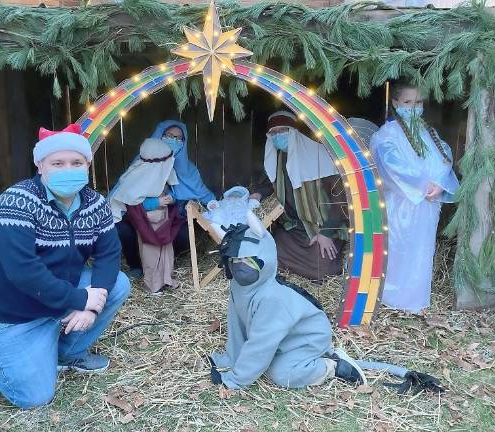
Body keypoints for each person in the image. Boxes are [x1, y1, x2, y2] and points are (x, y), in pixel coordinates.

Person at [0, 124, 130, 409]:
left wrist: (91, 304)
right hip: (12, 312)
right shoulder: (16, 202)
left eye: (76, 163)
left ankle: (68, 352)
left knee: (116, 283)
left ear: (87, 165)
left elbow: (109, 254)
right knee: (34, 398)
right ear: (40, 165)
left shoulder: (95, 204)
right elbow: (24, 272)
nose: (68, 169)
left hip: (57, 296)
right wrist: (80, 298)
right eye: (58, 163)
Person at [207, 211, 365, 389]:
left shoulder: (271, 297)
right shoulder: (239, 287)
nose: (240, 266)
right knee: (266, 361)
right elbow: (237, 325)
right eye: (235, 260)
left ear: (265, 257)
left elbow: (261, 344)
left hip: (306, 339)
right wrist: (231, 359)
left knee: (281, 374)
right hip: (282, 339)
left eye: (250, 260)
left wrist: (236, 379)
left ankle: (332, 366)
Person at [370, 81, 459, 313]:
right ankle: (393, 298)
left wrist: (439, 184)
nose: (414, 107)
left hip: (427, 205)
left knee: (421, 250)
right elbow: (391, 166)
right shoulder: (386, 135)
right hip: (400, 203)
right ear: (396, 103)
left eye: (418, 102)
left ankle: (415, 299)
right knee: (398, 248)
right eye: (408, 102)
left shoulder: (428, 132)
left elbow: (444, 155)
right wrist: (421, 185)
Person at [251, 111, 348, 280]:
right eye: (273, 133)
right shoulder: (277, 158)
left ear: (294, 132)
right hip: (294, 228)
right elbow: (268, 182)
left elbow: (340, 200)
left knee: (324, 270)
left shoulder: (319, 157)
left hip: (322, 227)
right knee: (269, 251)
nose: (277, 136)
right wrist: (257, 194)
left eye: (283, 131)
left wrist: (326, 233)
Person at [114, 120, 216, 278]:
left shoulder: (188, 170)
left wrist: (212, 202)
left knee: (183, 232)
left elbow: (200, 192)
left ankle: (164, 265)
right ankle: (136, 265)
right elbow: (127, 193)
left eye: (178, 138)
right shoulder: (143, 164)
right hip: (141, 214)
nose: (174, 140)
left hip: (168, 216)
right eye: (169, 136)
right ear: (159, 136)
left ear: (183, 143)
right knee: (122, 228)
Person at [110, 138, 185, 294]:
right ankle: (153, 284)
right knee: (151, 255)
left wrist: (170, 198)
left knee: (166, 253)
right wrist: (155, 201)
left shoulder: (162, 171)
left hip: (163, 221)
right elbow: (133, 203)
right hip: (148, 225)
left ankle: (166, 279)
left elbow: (169, 189)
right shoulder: (137, 176)